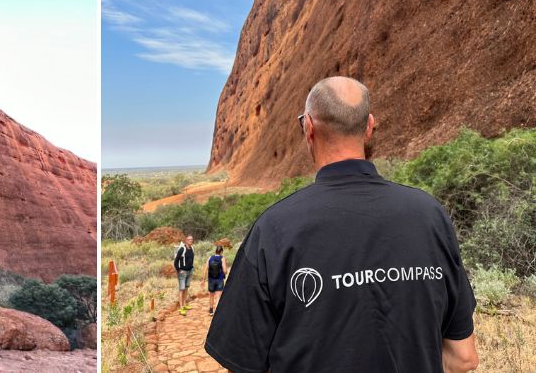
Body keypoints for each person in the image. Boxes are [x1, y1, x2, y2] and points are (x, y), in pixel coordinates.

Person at [205, 77, 478, 372]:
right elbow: (463, 358)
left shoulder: (274, 229)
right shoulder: (430, 216)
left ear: (308, 127)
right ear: (370, 126)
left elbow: (242, 363)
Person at [174, 234, 195, 315]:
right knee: (181, 289)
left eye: (192, 239)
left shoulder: (192, 248)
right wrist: (179, 270)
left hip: (190, 271)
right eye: (189, 239)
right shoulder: (182, 249)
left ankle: (185, 304)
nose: (191, 241)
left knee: (186, 288)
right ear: (186, 240)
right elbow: (176, 261)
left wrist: (192, 268)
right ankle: (181, 307)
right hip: (183, 272)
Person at [203, 245, 227, 315]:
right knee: (218, 296)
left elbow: (205, 269)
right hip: (219, 279)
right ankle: (216, 311)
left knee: (211, 295)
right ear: (221, 251)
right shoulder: (222, 258)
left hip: (211, 279)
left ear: (215, 251)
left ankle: (211, 310)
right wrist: (225, 271)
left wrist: (203, 279)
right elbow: (225, 271)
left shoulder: (210, 257)